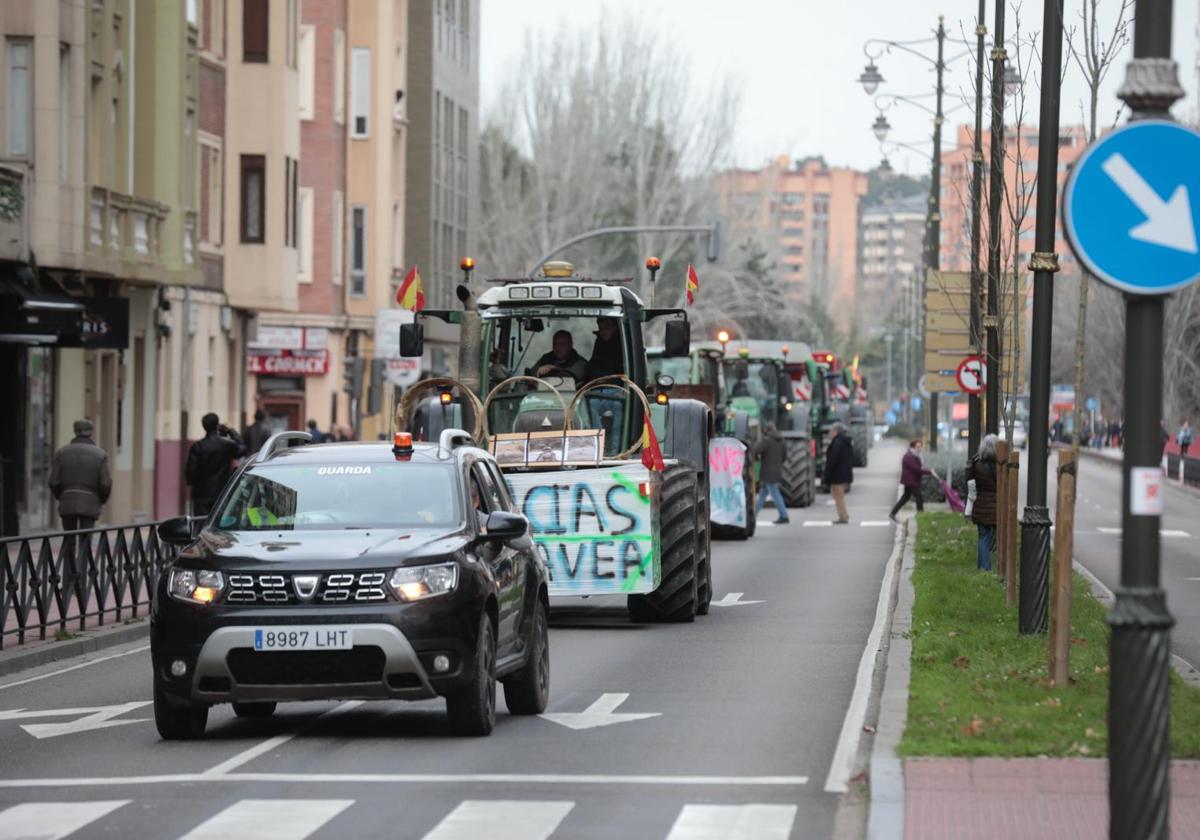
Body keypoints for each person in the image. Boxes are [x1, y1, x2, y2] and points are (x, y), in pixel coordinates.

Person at [49, 420, 112, 531]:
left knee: (68, 540)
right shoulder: (100, 454)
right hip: (90, 502)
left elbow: (53, 481)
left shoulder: (61, 453)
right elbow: (105, 483)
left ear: (75, 432)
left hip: (67, 501)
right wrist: (101, 499)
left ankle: (70, 549)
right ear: (91, 432)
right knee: (86, 541)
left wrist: (62, 495)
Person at [186, 413, 245, 516]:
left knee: (200, 522)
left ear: (204, 426)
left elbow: (190, 472)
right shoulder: (227, 445)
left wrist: (193, 482)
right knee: (218, 522)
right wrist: (231, 430)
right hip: (221, 492)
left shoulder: (198, 446)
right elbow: (242, 448)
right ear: (217, 425)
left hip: (201, 493)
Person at [967, 434, 1000, 572]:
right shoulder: (1001, 465)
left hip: (980, 505)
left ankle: (983, 567)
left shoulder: (976, 463)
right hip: (995, 506)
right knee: (990, 537)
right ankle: (985, 567)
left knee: (982, 537)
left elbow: (969, 480)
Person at [752, 423, 790, 524]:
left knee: (775, 494)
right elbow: (784, 456)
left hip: (767, 472)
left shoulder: (767, 440)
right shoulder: (782, 441)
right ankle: (753, 515)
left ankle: (784, 515)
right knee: (762, 495)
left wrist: (755, 442)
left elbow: (755, 450)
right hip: (777, 471)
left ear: (766, 430)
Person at [889, 438, 931, 521]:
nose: (919, 448)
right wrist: (929, 472)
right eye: (917, 447)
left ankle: (893, 513)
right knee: (919, 497)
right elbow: (917, 469)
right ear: (913, 447)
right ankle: (921, 515)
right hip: (912, 481)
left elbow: (918, 468)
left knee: (905, 497)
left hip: (911, 480)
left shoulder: (913, 455)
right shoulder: (910, 456)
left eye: (920, 446)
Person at [823, 422, 854, 524]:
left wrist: (827, 475)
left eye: (831, 431)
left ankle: (843, 516)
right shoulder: (844, 442)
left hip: (837, 475)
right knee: (839, 496)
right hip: (842, 474)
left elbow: (832, 460)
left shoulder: (837, 443)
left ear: (835, 432)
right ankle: (843, 515)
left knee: (838, 497)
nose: (830, 433)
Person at [584, 317, 624, 382]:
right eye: (600, 328)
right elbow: (593, 365)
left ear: (615, 327)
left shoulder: (623, 345)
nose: (603, 331)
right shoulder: (599, 343)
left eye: (607, 327)